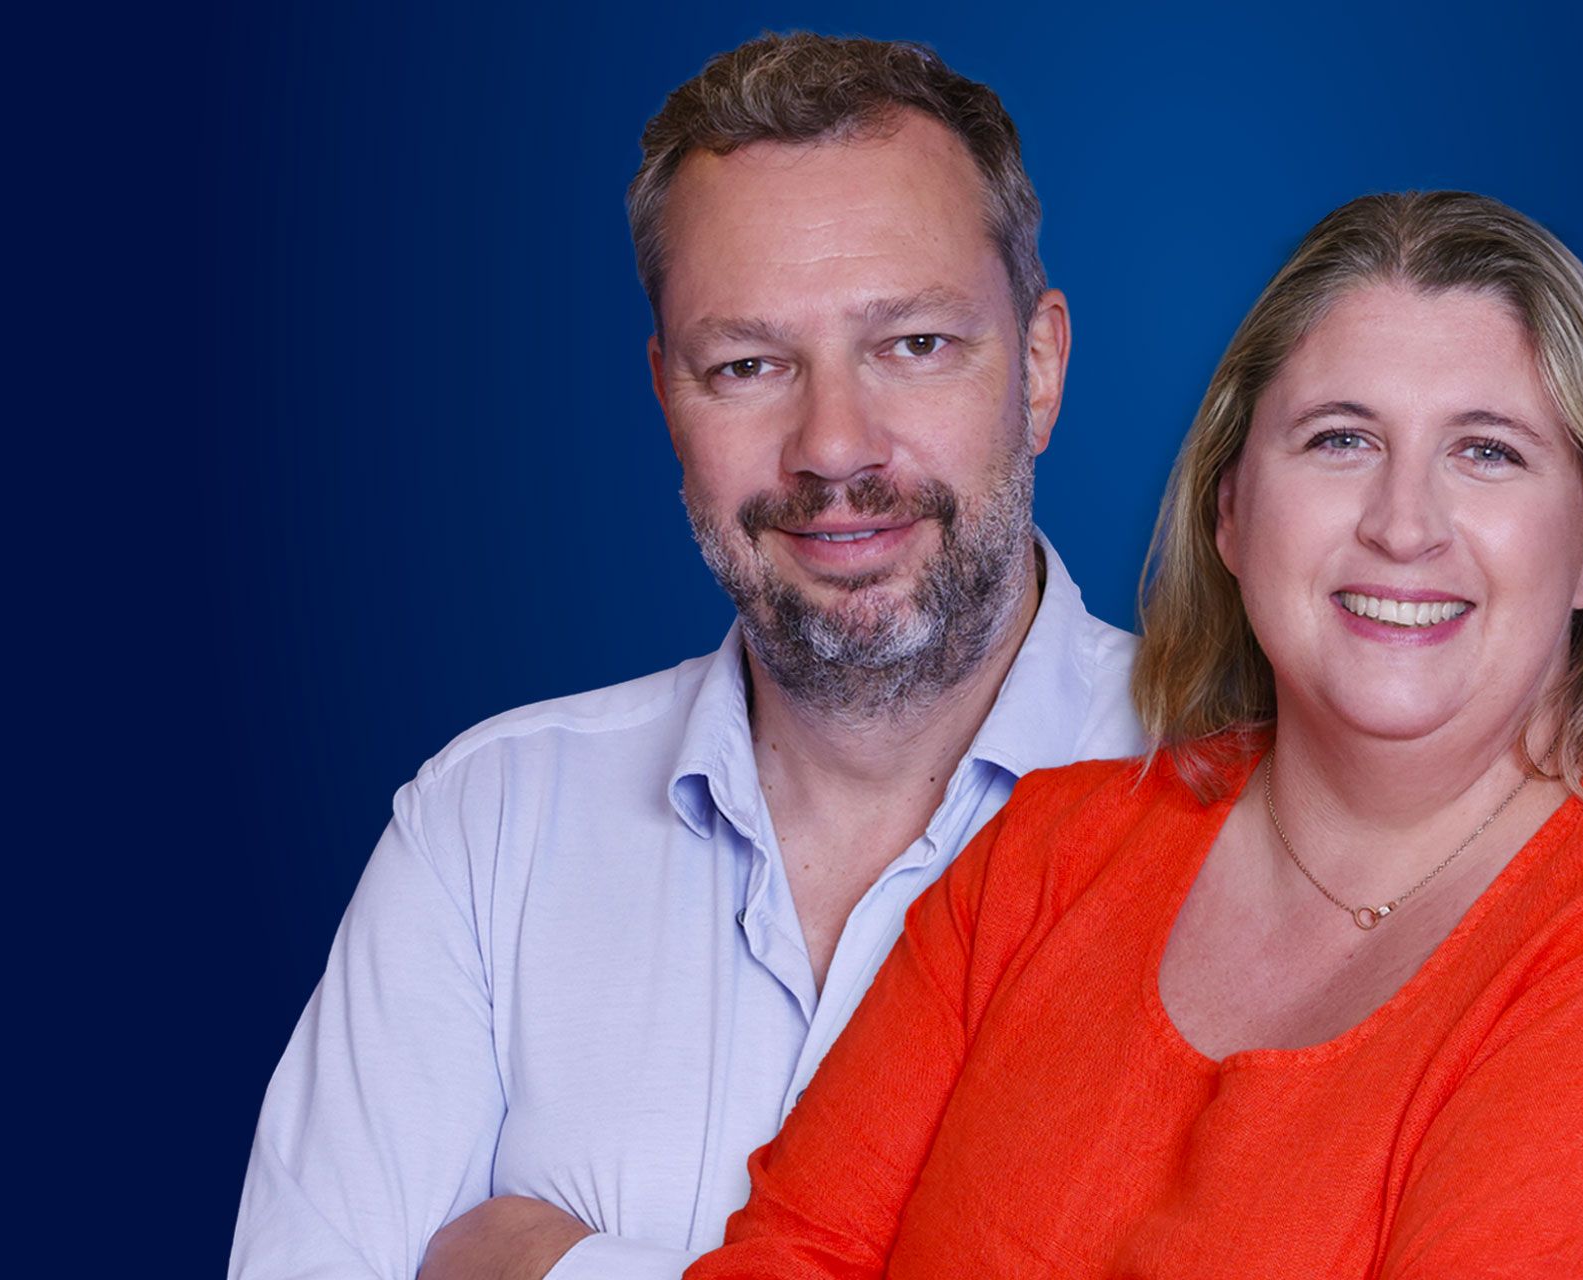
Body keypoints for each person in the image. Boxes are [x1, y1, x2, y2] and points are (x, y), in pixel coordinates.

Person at [686, 191, 1583, 1278]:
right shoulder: (1044, 855)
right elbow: (790, 1255)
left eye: (1488, 452)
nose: (1403, 525)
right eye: (1340, 439)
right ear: (1229, 511)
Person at [227, 35, 1145, 1280]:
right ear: (668, 395)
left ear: (1037, 366)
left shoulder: (1255, 806)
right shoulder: (488, 831)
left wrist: (550, 1264)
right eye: (748, 365)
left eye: (913, 344)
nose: (834, 446)